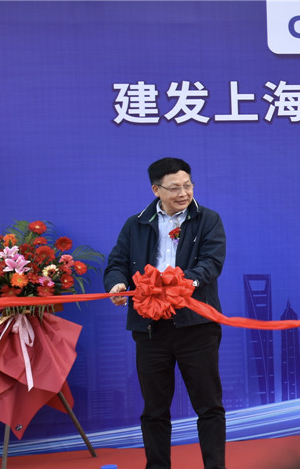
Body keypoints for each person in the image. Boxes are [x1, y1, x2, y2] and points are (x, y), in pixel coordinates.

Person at [104, 157, 227, 469]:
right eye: (174, 188)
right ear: (156, 190)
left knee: (209, 406)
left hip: (196, 325)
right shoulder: (136, 224)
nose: (183, 193)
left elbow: (211, 263)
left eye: (188, 185)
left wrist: (182, 283)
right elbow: (117, 263)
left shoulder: (208, 219)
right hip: (150, 329)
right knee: (154, 410)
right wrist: (117, 284)